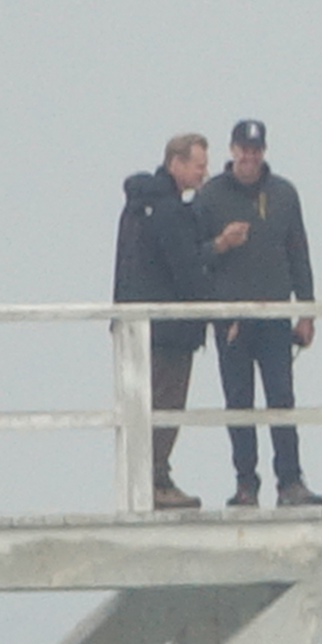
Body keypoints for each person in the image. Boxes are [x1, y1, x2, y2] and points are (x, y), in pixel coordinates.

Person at [191, 120, 322, 507]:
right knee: (239, 401)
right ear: (231, 150)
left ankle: (290, 481)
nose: (249, 157)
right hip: (231, 318)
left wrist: (307, 309)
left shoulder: (283, 193)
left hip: (275, 315)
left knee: (282, 397)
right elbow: (193, 257)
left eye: (256, 150)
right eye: (243, 149)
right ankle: (246, 483)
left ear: (263, 151)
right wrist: (221, 243)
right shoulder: (210, 195)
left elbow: (298, 251)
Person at [114, 133, 249, 510]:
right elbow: (186, 270)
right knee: (165, 403)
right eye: (198, 164)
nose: (203, 172)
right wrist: (220, 316)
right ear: (175, 164)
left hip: (136, 327)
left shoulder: (139, 206)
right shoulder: (171, 210)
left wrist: (214, 245)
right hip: (169, 331)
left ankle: (142, 478)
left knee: (142, 405)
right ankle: (155, 480)